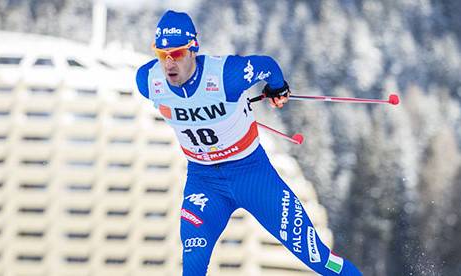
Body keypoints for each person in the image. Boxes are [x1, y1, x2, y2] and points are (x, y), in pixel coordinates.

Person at [136, 10, 362, 276]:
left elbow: (268, 66)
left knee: (317, 258)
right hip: (204, 182)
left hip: (252, 175)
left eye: (177, 53)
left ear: (193, 49)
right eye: (163, 55)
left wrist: (277, 89)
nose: (169, 63)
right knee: (193, 266)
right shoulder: (148, 81)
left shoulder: (226, 75)